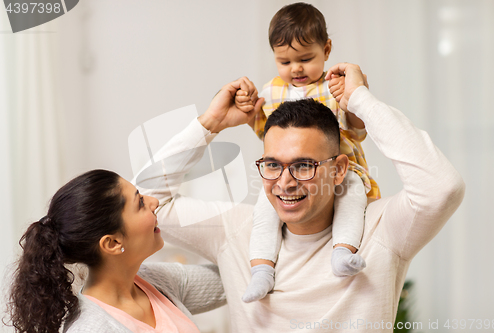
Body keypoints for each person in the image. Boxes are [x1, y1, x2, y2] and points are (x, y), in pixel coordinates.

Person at [135, 64, 465, 331]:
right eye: (272, 165)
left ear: (339, 170)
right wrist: (211, 123)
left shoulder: (382, 230)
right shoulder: (236, 232)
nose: (285, 182)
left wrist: (360, 99)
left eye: (304, 165)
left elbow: (442, 187)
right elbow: (145, 200)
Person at [234, 2, 380, 302]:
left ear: (326, 51)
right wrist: (249, 110)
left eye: (306, 58)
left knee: (351, 199)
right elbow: (267, 133)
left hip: (342, 166)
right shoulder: (273, 90)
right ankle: (262, 269)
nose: (296, 69)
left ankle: (343, 251)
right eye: (284, 62)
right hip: (292, 171)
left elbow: (357, 130)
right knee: (264, 209)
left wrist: (356, 96)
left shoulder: (334, 85)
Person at [5, 171, 226, 332]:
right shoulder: (92, 329)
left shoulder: (156, 281)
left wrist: (208, 124)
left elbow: (236, 276)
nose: (155, 201)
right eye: (140, 202)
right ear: (112, 243)